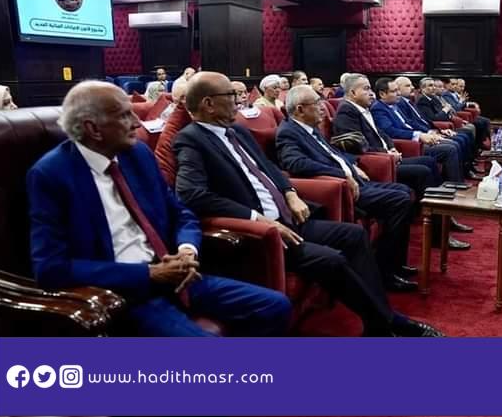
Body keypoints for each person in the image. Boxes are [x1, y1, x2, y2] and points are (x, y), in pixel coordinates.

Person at [172, 71, 443, 336]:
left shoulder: (237, 132)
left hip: (289, 218)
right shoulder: (191, 139)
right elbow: (192, 194)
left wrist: (290, 192)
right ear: (208, 103)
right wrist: (257, 219)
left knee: (354, 235)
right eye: (231, 94)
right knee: (332, 260)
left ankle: (379, 322)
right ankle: (389, 322)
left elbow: (270, 168)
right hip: (263, 234)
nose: (238, 100)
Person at [27, 81, 291, 337]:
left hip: (176, 275)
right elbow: (51, 269)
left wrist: (187, 249)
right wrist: (148, 274)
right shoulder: (51, 174)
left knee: (275, 306)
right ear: (93, 129)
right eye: (125, 115)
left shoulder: (138, 154)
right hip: (125, 292)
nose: (137, 122)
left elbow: (180, 212)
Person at [276, 85, 419, 290]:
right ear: (300, 109)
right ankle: (386, 272)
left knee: (404, 191)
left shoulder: (310, 128)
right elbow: (296, 164)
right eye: (317, 103)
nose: (323, 107)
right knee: (400, 200)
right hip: (340, 188)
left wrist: (352, 164)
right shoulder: (288, 132)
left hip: (355, 180)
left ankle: (395, 263)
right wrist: (342, 174)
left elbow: (332, 153)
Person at [332, 73, 440, 200]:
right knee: (423, 171)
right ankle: (430, 209)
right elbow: (357, 145)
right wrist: (386, 153)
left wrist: (391, 147)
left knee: (429, 161)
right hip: (376, 162)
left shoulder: (362, 108)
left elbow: (380, 133)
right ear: (353, 92)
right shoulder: (347, 111)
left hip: (387, 156)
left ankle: (442, 203)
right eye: (366, 89)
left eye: (371, 89)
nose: (372, 93)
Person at [371, 77, 462, 183]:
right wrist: (419, 135)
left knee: (453, 144)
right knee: (450, 148)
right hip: (408, 144)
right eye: (394, 91)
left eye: (398, 90)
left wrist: (429, 132)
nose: (398, 93)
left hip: (416, 138)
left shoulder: (394, 105)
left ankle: (448, 185)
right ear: (382, 94)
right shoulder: (379, 108)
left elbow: (410, 122)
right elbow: (390, 131)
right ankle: (453, 184)